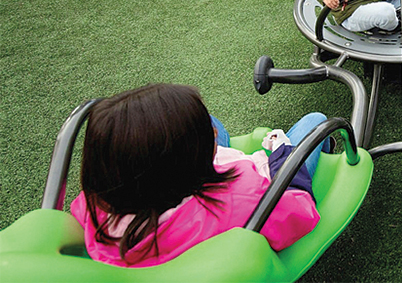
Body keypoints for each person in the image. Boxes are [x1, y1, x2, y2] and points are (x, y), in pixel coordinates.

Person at [70, 84, 331, 267]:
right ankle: (323, 147)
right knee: (315, 121)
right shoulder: (240, 197)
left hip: (178, 213)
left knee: (210, 119)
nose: (213, 136)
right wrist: (282, 155)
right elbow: (298, 210)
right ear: (185, 165)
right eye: (208, 139)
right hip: (245, 196)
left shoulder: (98, 206)